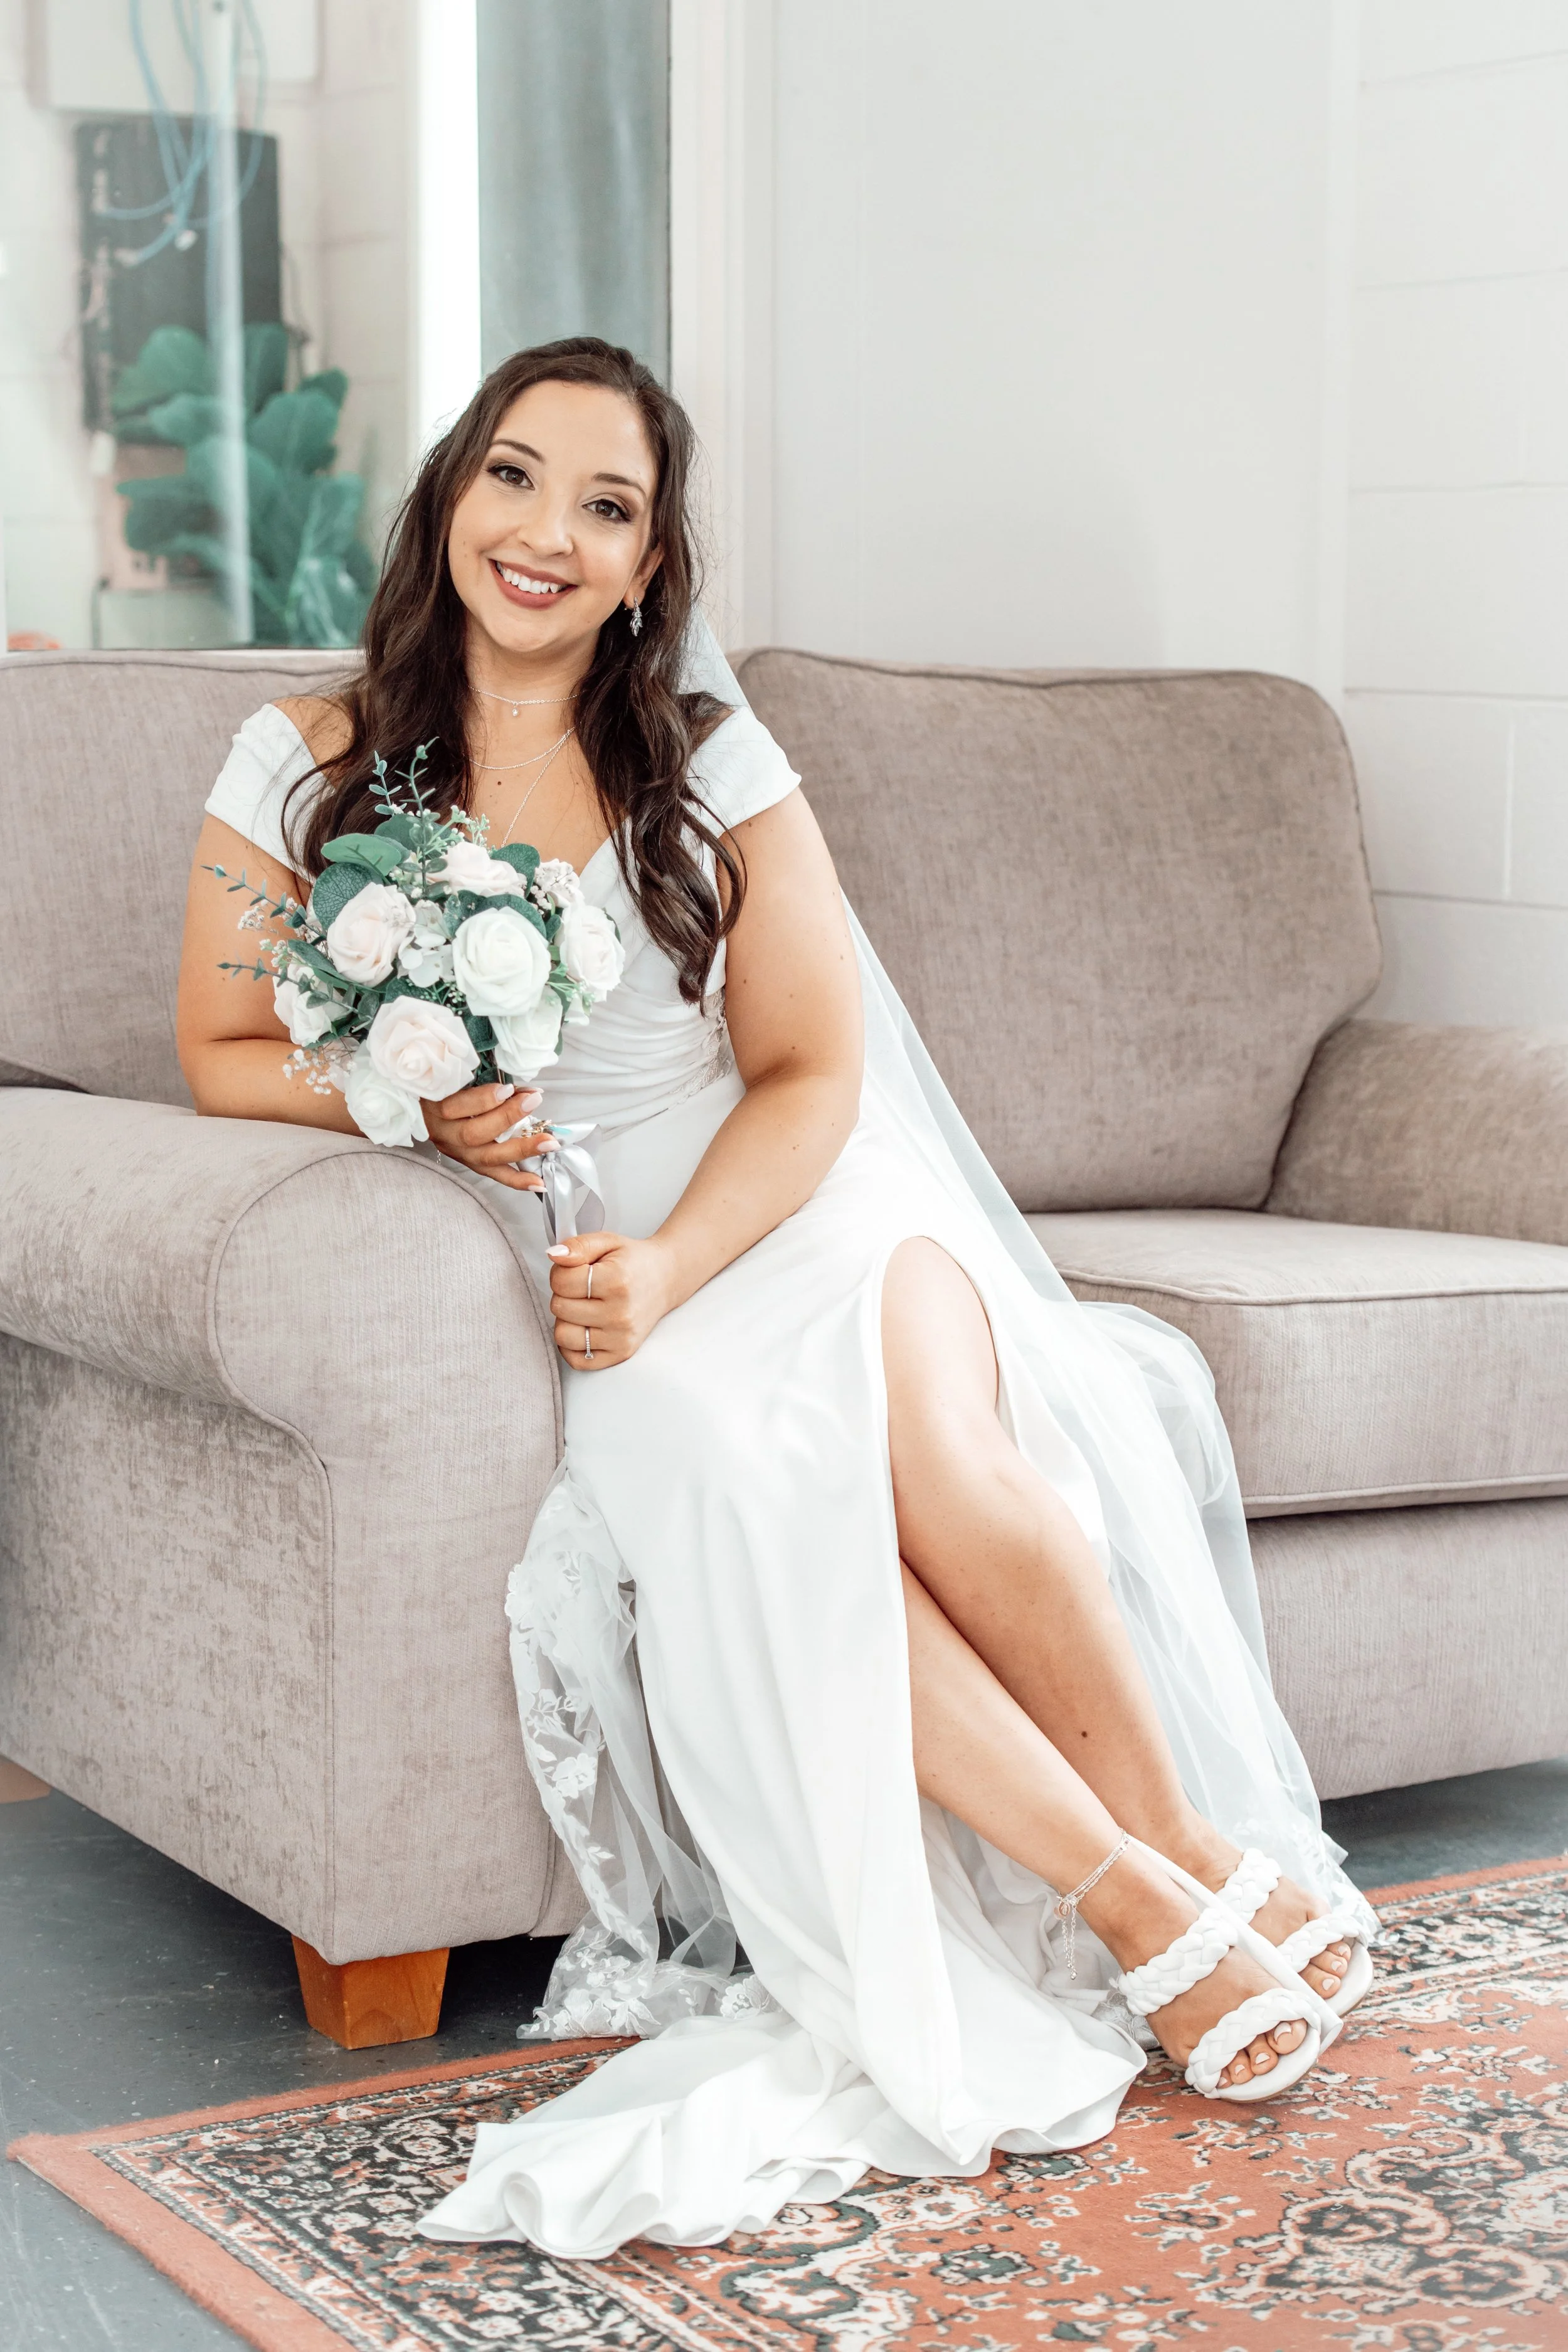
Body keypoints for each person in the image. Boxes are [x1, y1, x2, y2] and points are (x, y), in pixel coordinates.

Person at [177, 336, 1376, 2262]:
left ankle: (1196, 1870)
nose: (548, 532)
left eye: (607, 503)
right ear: (447, 498)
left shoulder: (703, 756)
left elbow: (814, 1070)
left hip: (790, 1202)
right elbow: (223, 1044)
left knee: (941, 1464)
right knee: (755, 1496)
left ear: (652, 564)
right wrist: (398, 1087)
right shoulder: (308, 760)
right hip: (582, 1256)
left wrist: (675, 1257)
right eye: (513, 476)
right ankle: (1134, 1906)